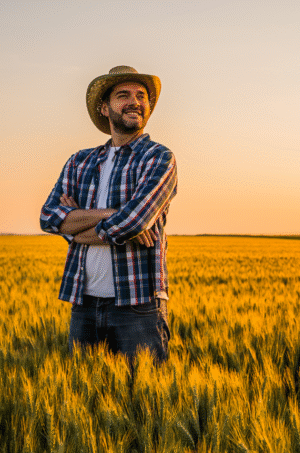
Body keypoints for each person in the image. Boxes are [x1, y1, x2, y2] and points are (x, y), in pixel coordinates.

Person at [40, 66, 177, 364]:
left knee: (145, 401)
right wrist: (112, 213)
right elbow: (49, 218)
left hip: (139, 304)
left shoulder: (158, 157)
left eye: (141, 96)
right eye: (123, 95)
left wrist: (77, 227)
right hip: (84, 304)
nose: (135, 101)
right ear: (104, 108)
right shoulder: (80, 162)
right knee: (82, 402)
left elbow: (135, 222)